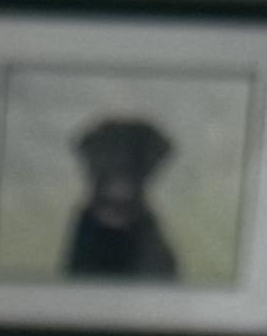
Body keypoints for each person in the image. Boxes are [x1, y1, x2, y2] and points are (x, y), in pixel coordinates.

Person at [64, 113, 180, 280]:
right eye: (109, 154)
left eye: (134, 155)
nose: (120, 163)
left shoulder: (150, 242)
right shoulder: (85, 231)